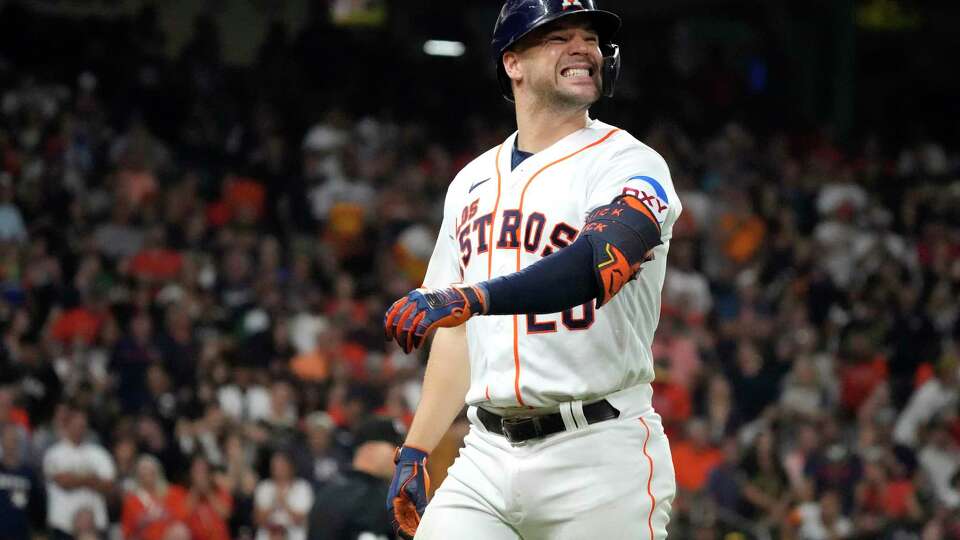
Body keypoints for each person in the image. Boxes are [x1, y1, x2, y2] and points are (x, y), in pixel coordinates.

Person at [382, 1, 680, 537]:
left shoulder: (629, 162)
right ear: (513, 62)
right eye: (557, 36)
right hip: (486, 455)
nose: (581, 48)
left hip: (599, 452)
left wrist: (475, 297)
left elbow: (597, 265)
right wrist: (417, 447)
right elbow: (456, 335)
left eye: (589, 37)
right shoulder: (471, 180)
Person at [306, 416, 402, 539]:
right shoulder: (378, 497)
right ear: (370, 448)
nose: (401, 457)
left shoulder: (328, 492)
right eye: (395, 448)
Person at [42, 405, 116, 539]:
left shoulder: (99, 453)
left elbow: (109, 485)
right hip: (62, 524)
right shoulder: (54, 453)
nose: (80, 429)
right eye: (76, 425)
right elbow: (64, 482)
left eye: (83, 426)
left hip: (95, 525)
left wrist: (75, 478)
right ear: (66, 426)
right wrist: (92, 479)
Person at [120, 454, 188, 540]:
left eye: (150, 471)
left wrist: (165, 515)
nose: (147, 474)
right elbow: (127, 533)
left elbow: (184, 520)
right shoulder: (131, 501)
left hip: (170, 536)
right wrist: (142, 523)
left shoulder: (174, 493)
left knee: (179, 530)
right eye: (144, 471)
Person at [253, 450, 314, 540]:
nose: (278, 469)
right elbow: (258, 520)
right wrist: (275, 503)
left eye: (281, 465)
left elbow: (303, 521)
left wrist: (284, 503)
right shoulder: (264, 487)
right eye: (275, 466)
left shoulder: (303, 487)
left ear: (291, 466)